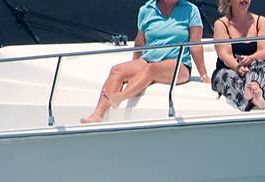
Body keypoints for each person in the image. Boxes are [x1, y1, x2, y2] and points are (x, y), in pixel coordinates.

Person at [81, 0, 209, 123]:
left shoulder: (191, 10)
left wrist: (203, 74)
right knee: (117, 70)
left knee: (152, 69)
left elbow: (195, 45)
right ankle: (98, 114)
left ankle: (120, 97)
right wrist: (133, 65)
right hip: (148, 59)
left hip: (178, 64)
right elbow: (140, 42)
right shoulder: (146, 10)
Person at [211, 0, 265, 111]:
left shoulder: (261, 22)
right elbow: (224, 54)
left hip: (256, 66)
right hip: (230, 68)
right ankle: (249, 99)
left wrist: (251, 58)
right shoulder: (221, 24)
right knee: (227, 76)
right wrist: (237, 67)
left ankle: (255, 90)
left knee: (260, 66)